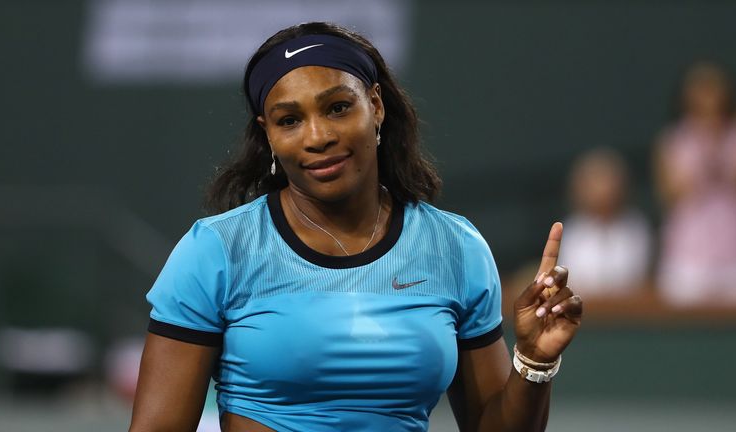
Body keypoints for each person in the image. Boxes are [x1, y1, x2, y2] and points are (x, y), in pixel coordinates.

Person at [129, 22, 583, 432]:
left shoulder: (454, 247)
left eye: (338, 108)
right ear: (268, 134)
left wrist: (534, 361)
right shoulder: (216, 250)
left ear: (376, 105)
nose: (318, 136)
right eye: (290, 120)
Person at [654, 62, 736, 307]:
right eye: (700, 89)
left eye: (713, 88)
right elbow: (669, 194)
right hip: (689, 255)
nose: (708, 96)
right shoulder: (674, 140)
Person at [559, 148, 652, 298]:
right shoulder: (571, 230)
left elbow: (635, 278)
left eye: (608, 180)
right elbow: (568, 280)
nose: (603, 189)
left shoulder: (636, 227)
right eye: (595, 180)